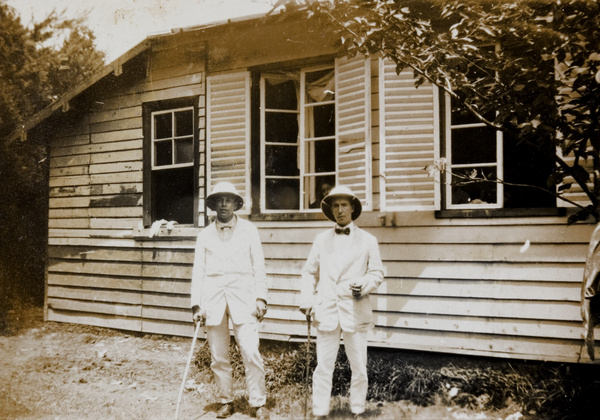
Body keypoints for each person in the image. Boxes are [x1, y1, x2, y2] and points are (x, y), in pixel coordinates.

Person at [299, 186, 384, 418]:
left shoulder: (368, 240)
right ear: (330, 210)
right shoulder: (321, 240)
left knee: (359, 368)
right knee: (323, 366)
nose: (339, 210)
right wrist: (307, 299)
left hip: (355, 311)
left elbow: (377, 273)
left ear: (353, 207)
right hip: (326, 311)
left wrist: (363, 284)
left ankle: (357, 410)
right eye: (335, 206)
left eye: (344, 205)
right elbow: (309, 273)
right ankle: (320, 411)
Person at [190, 181, 269, 419]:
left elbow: (259, 267)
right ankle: (226, 401)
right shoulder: (204, 235)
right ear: (213, 205)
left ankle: (257, 402)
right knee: (219, 356)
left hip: (243, 298)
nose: (223, 204)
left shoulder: (250, 230)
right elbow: (198, 271)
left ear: (236, 203)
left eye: (228, 200)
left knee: (250, 351)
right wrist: (196, 304)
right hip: (212, 300)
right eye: (219, 200)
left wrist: (261, 298)